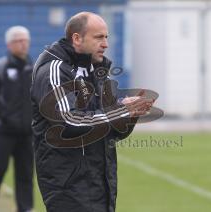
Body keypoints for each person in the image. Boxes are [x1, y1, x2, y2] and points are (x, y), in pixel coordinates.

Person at [30, 12, 153, 212]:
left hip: (101, 184)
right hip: (69, 188)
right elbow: (67, 121)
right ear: (77, 38)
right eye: (98, 37)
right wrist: (120, 110)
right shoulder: (54, 70)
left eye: (106, 37)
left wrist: (130, 114)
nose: (105, 44)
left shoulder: (97, 72)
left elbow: (113, 131)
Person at [0, 26, 34, 212]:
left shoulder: (35, 67)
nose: (22, 43)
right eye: (17, 40)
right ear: (9, 44)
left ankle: (25, 208)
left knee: (25, 174)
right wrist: (5, 117)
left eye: (25, 40)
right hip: (5, 131)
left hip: (28, 133)